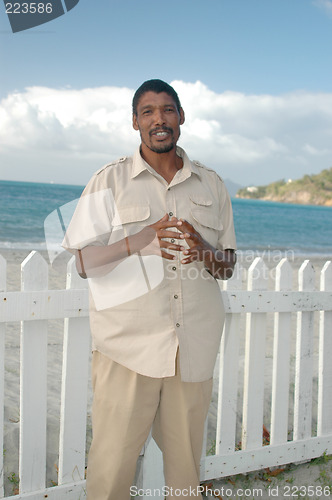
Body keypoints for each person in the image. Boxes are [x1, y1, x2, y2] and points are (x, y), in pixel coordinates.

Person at [63, 79, 237, 500]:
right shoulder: (109, 180)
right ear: (136, 122)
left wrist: (205, 250)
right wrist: (139, 240)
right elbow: (83, 262)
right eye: (148, 111)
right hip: (128, 349)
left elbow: (228, 266)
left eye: (167, 110)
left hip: (191, 349)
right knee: (111, 470)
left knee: (185, 472)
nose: (159, 119)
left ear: (181, 118)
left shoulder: (211, 184)